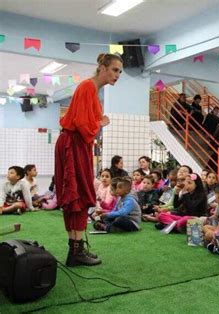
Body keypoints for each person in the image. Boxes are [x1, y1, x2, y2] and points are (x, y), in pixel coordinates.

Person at [54, 53, 122, 266]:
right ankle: (75, 251)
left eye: (120, 71)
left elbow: (85, 124)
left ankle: (77, 249)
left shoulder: (93, 90)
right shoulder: (87, 87)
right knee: (77, 194)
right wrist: (100, 123)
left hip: (79, 144)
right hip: (73, 144)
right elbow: (84, 126)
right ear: (102, 67)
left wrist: (97, 122)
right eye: (114, 69)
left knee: (81, 194)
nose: (117, 75)